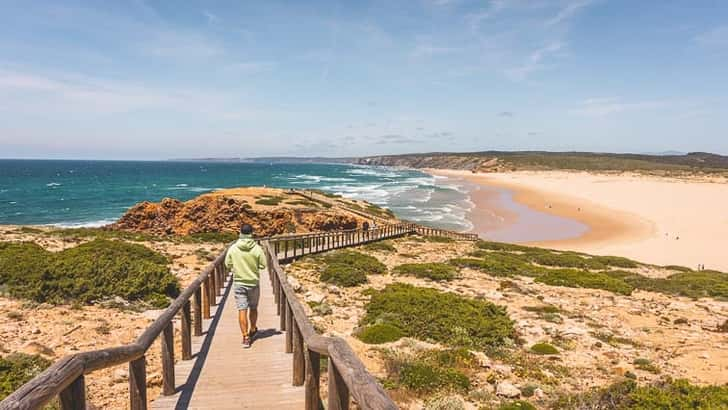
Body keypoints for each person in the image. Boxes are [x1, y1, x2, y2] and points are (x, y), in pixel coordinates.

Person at [225, 223, 267, 348]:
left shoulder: (233, 248)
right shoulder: (257, 248)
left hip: (239, 282)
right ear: (251, 233)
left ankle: (245, 336)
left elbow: (227, 264)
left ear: (240, 233)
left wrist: (236, 266)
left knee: (242, 309)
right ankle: (253, 329)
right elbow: (263, 265)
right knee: (253, 308)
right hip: (253, 282)